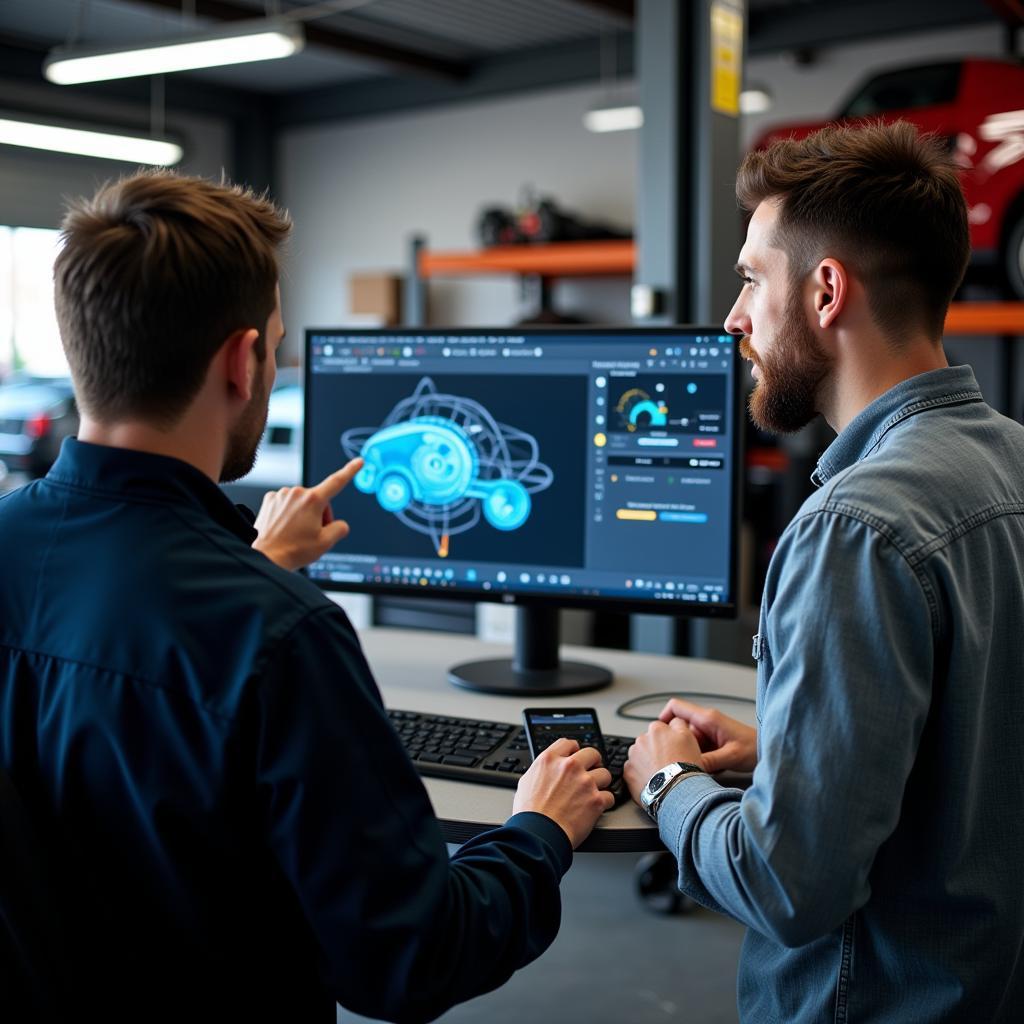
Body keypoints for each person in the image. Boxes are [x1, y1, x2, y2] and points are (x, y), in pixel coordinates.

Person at [0, 171, 614, 1023]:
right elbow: (410, 958)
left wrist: (251, 567)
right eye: (277, 343)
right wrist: (537, 834)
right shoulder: (281, 636)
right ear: (242, 361)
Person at [624, 121, 1024, 1021]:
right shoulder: (1013, 465)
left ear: (826, 291)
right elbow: (982, 763)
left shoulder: (856, 528)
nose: (734, 319)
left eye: (751, 282)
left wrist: (666, 784)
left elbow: (787, 887)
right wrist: (793, 756)